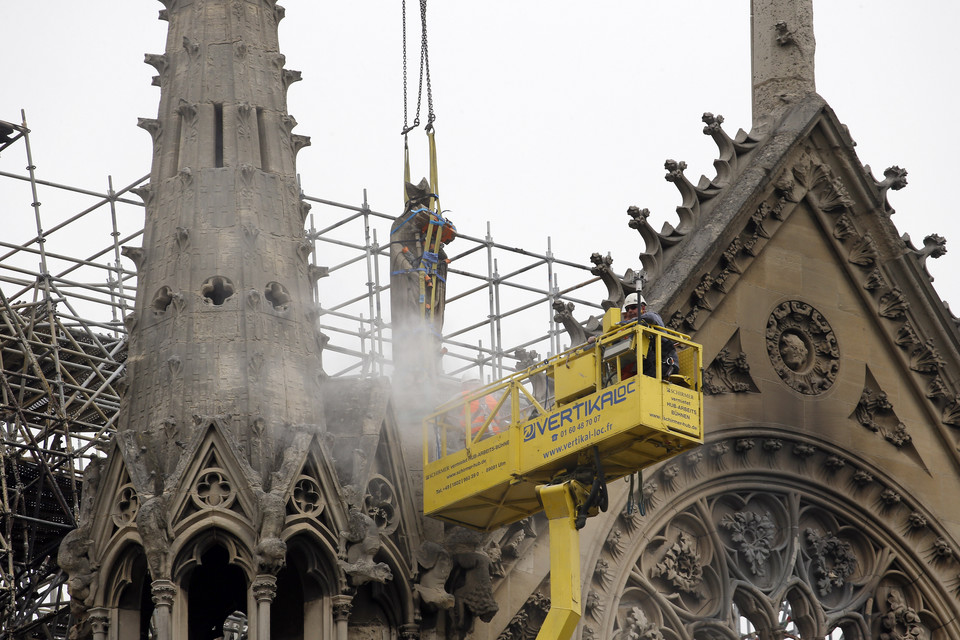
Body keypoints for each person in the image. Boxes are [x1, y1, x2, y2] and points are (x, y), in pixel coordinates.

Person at [630, 293, 680, 378]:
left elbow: (651, 318)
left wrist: (627, 323)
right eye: (627, 309)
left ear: (642, 308)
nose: (630, 311)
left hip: (666, 364)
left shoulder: (652, 316)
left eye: (633, 307)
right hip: (652, 366)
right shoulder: (635, 330)